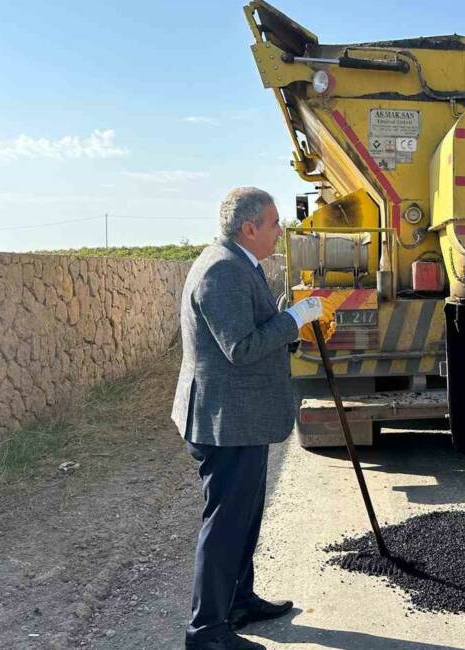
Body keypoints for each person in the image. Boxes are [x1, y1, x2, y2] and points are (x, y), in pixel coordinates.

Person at [172, 187, 327, 650]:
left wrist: (286, 325)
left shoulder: (242, 264)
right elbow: (239, 347)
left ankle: (238, 602)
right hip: (225, 420)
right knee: (225, 524)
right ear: (250, 228)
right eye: (275, 222)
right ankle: (207, 631)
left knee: (244, 517)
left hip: (241, 418)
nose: (282, 230)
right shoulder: (222, 270)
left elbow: (254, 329)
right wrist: (294, 319)